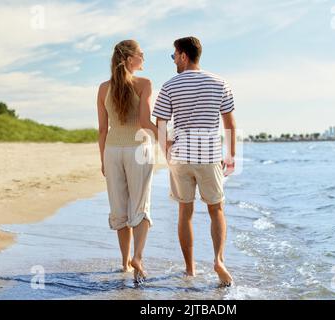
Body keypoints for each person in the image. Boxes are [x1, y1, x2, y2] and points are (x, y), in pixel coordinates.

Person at [151, 36, 237, 286]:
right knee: (216, 210)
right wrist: (230, 155)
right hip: (209, 156)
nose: (174, 60)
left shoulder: (169, 86)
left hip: (180, 156)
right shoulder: (220, 83)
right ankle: (219, 260)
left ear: (183, 56)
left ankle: (190, 270)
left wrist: (166, 151)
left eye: (174, 55)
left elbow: (161, 124)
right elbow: (229, 122)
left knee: (185, 212)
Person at [97, 39, 158, 283]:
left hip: (112, 151)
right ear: (131, 58)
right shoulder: (144, 84)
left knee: (119, 208)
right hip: (138, 150)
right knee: (140, 206)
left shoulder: (103, 88)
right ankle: (138, 258)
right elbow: (144, 123)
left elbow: (102, 129)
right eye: (141, 53)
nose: (144, 56)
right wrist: (166, 136)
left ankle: (124, 264)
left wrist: (102, 158)